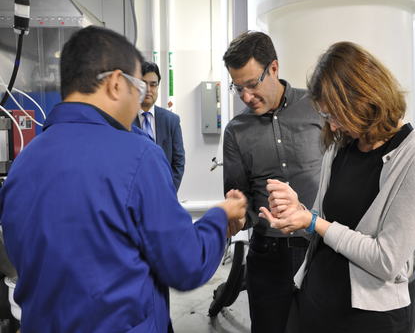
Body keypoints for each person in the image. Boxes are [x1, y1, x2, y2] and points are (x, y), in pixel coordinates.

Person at [0, 26, 247, 333]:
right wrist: (220, 218)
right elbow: (186, 264)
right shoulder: (138, 155)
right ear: (117, 83)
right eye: (138, 89)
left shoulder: (23, 163)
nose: (141, 101)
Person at [260, 41, 415, 333]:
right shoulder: (341, 146)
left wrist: (314, 222)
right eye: (325, 116)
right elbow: (324, 224)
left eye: (334, 115)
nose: (331, 127)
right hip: (316, 299)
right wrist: (298, 213)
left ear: (363, 99)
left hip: (368, 319)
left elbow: (386, 260)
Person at [222, 31, 323, 333]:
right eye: (238, 88)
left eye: (252, 84)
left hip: (319, 247)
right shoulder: (236, 131)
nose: (246, 96)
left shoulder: (318, 107)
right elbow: (239, 203)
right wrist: (233, 216)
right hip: (268, 255)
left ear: (274, 68)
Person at [133, 61, 185, 191]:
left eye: (153, 85)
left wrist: (168, 192)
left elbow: (178, 162)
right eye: (143, 84)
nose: (149, 90)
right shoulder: (124, 121)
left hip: (164, 193)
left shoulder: (171, 121)